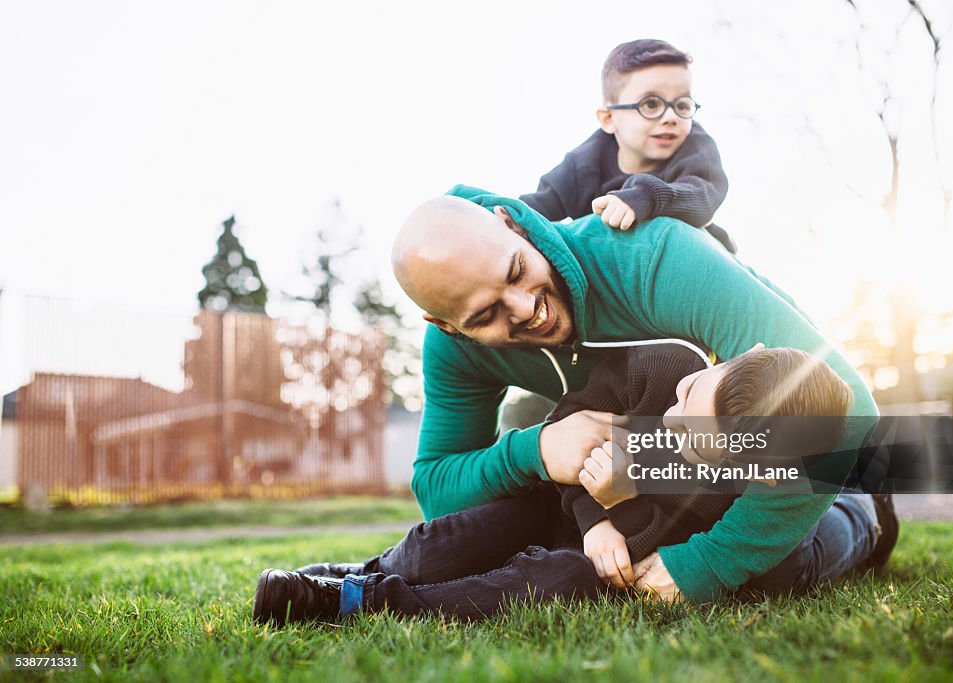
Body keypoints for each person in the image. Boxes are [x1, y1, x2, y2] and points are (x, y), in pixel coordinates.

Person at [258, 186, 888, 609]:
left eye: (515, 273)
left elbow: (849, 414)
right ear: (445, 326)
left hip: (780, 451)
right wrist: (535, 452)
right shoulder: (453, 349)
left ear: (512, 226)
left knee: (776, 570)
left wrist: (711, 564)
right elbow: (437, 488)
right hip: (651, 480)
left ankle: (868, 514)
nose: (526, 309)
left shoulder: (656, 261)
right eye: (485, 316)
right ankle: (356, 584)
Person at [253, 344, 887, 625]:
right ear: (731, 356)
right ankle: (351, 576)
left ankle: (873, 512)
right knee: (437, 549)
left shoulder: (760, 487)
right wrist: (596, 516)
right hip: (571, 516)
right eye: (690, 399)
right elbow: (567, 431)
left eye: (698, 441)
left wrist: (634, 509)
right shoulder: (664, 370)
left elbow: (672, 544)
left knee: (804, 561)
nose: (669, 422)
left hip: (737, 545)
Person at [520, 38, 735, 253]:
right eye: (651, 104)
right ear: (608, 119)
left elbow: (704, 194)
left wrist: (643, 197)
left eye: (682, 104)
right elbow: (536, 207)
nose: (671, 117)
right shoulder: (584, 163)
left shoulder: (695, 145)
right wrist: (505, 215)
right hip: (618, 270)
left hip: (698, 257)